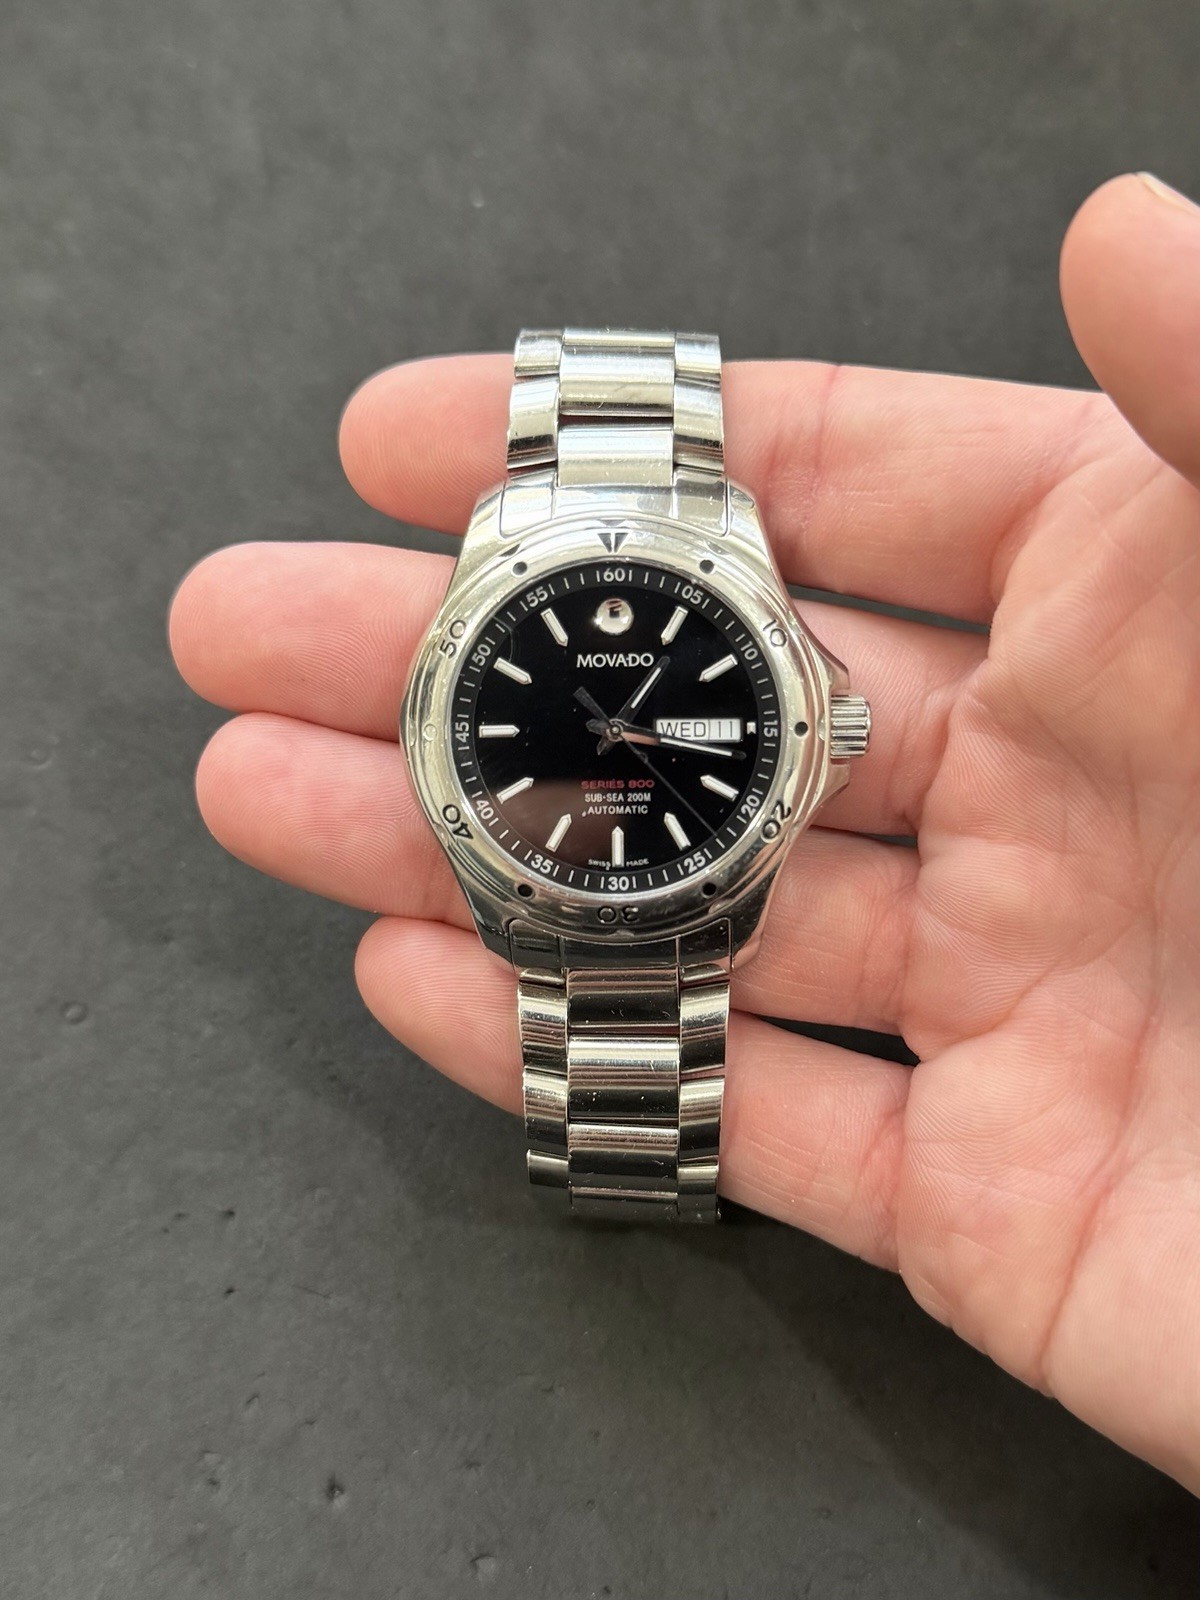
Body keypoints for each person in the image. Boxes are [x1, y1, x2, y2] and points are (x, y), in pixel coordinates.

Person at [169, 173, 1200, 1492]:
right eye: (600, 729)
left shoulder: (754, 696)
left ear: (823, 733)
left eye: (626, 728)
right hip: (572, 873)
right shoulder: (553, 669)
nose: (610, 737)